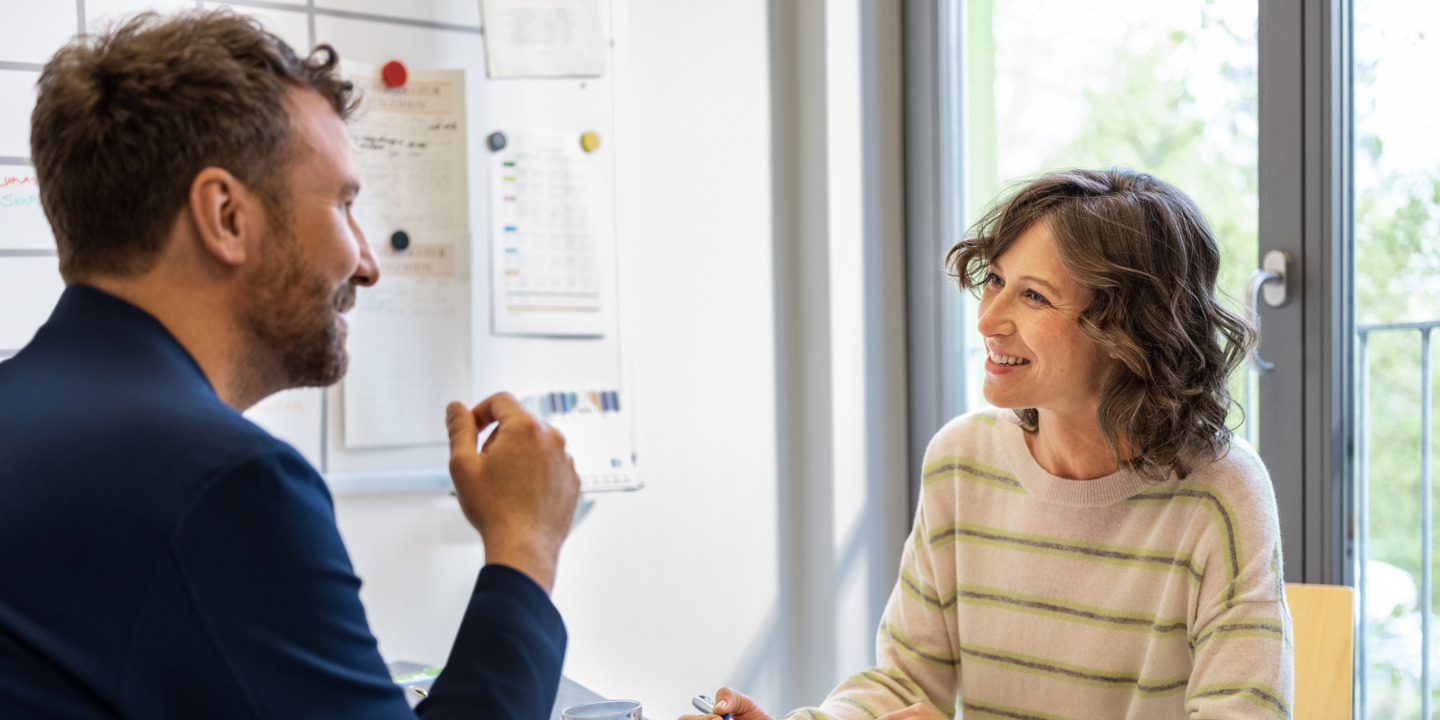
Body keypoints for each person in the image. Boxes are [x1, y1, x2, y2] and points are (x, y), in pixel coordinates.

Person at [0, 10, 579, 719]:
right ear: (227, 216)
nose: (366, 263)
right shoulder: (225, 487)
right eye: (342, 204)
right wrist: (525, 547)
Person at [684, 169, 1292, 720]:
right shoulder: (961, 462)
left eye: (1033, 296)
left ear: (1127, 330)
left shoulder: (1222, 493)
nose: (987, 320)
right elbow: (904, 684)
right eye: (996, 281)